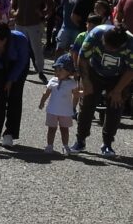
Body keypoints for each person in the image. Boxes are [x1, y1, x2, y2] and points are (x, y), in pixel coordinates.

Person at [71, 24, 133, 157]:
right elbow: (82, 58)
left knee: (115, 106)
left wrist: (118, 90)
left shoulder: (131, 43)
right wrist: (85, 81)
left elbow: (131, 70)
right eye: (105, 45)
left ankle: (107, 144)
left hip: (119, 76)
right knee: (87, 104)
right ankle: (80, 140)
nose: (106, 48)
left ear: (121, 46)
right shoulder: (96, 34)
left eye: (110, 48)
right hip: (94, 72)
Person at [10, 0, 52, 83]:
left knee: (36, 49)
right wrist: (14, 13)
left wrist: (43, 14)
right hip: (19, 25)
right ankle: (21, 69)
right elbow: (12, 7)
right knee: (20, 48)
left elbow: (51, 5)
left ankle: (40, 71)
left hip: (34, 25)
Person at [39, 54, 79, 156]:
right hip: (52, 110)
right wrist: (42, 102)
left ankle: (65, 145)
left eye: (60, 70)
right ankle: (49, 145)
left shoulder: (72, 83)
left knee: (64, 129)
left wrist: (74, 106)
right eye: (56, 70)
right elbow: (46, 92)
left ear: (69, 71)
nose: (57, 72)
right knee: (51, 129)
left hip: (65, 111)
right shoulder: (53, 81)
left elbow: (76, 95)